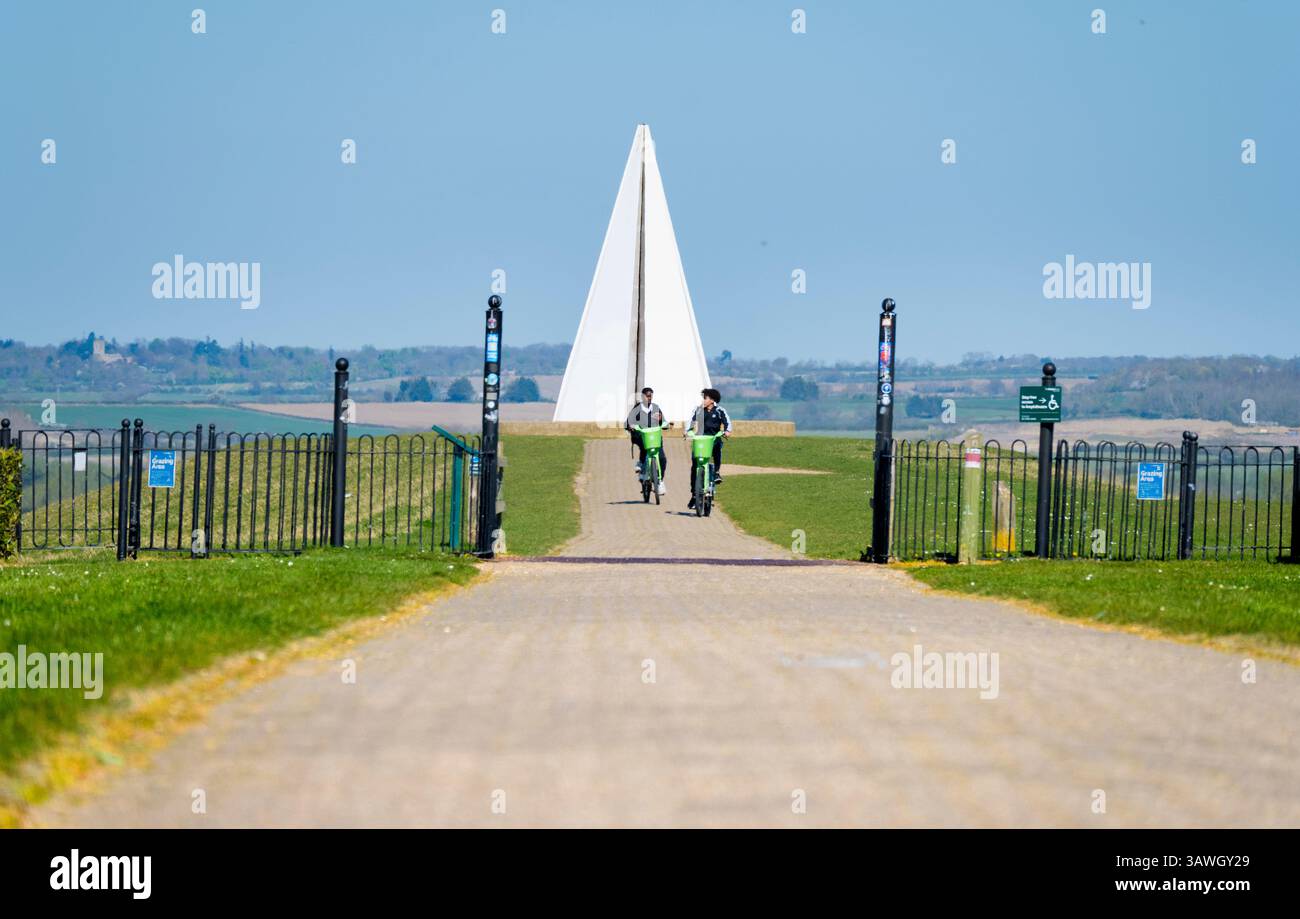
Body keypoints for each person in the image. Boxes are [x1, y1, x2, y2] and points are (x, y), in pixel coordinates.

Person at [685, 388, 731, 509]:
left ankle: (716, 472)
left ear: (712, 400)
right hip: (700, 440)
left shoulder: (720, 410)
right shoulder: (699, 410)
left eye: (705, 398)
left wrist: (726, 431)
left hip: (713, 438)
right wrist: (687, 431)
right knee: (695, 465)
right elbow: (690, 421)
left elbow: (727, 423)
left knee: (717, 450)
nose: (703, 400)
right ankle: (694, 495)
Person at [625, 387, 668, 495]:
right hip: (642, 436)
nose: (649, 398)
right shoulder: (637, 408)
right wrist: (630, 426)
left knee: (662, 458)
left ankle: (660, 481)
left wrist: (664, 423)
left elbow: (664, 421)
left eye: (651, 396)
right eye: (647, 396)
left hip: (656, 438)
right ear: (642, 396)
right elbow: (628, 422)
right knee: (644, 448)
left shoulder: (656, 408)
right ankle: (643, 466)